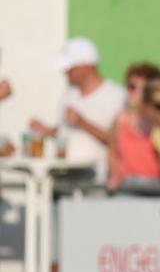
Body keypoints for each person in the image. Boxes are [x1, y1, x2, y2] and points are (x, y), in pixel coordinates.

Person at [29, 37, 126, 181]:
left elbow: (119, 141)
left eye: (70, 68)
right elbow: (64, 132)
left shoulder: (116, 95)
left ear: (86, 65)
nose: (65, 72)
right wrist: (47, 131)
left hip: (95, 179)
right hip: (63, 176)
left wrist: (82, 123)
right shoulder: (69, 94)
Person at [107, 63, 160, 190]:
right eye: (128, 86)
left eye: (133, 87)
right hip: (128, 188)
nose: (128, 91)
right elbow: (113, 153)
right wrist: (116, 175)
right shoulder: (121, 119)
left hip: (158, 187)